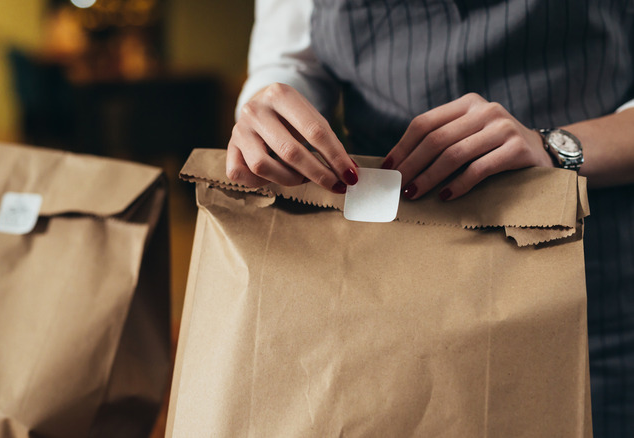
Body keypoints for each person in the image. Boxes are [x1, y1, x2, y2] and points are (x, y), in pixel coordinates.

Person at [227, 1, 634, 436]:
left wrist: (555, 148)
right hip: (373, 294)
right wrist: (272, 114)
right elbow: (292, 60)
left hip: (585, 294)